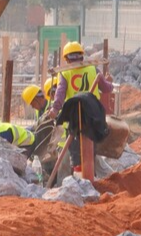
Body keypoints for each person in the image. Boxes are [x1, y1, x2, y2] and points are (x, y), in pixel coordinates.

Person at [44, 41, 114, 169]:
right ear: (82, 55)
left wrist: (55, 109)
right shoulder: (93, 69)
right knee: (90, 154)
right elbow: (107, 89)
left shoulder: (65, 73)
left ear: (66, 59)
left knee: (77, 157)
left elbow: (60, 94)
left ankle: (81, 177)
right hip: (94, 118)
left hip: (76, 120)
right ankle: (88, 176)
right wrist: (109, 82)